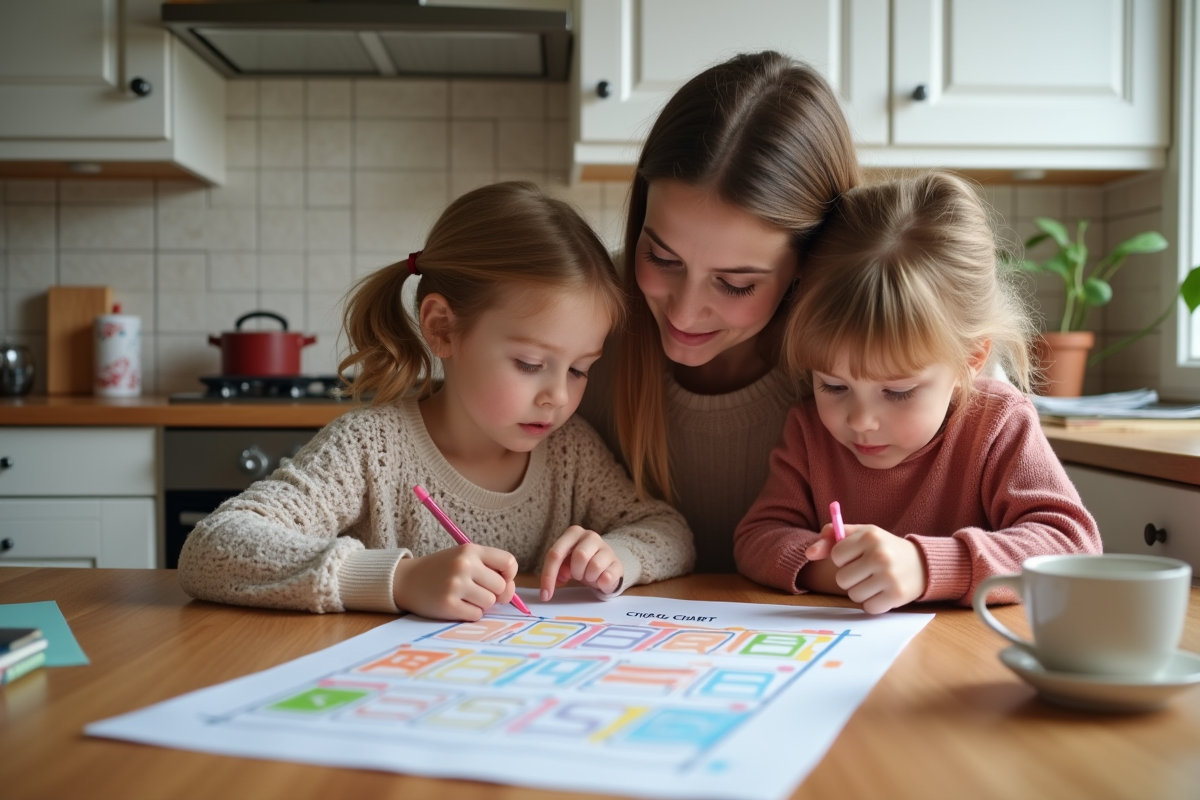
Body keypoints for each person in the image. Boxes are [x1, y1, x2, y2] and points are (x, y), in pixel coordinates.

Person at [178, 182, 694, 621]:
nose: (559, 396)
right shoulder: (372, 447)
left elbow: (668, 530)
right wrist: (398, 580)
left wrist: (617, 556)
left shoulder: (570, 453)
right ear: (442, 328)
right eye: (531, 364)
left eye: (581, 369)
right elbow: (214, 547)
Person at [733, 172, 1102, 613]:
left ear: (970, 358)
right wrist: (842, 571)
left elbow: (1071, 545)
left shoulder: (998, 424)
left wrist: (926, 568)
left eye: (898, 391)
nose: (860, 420)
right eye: (833, 385)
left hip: (966, 661)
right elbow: (758, 538)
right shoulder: (810, 431)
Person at [576, 51, 860, 573]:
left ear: (806, 264)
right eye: (662, 257)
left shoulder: (871, 344)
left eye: (735, 284)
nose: (684, 312)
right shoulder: (583, 316)